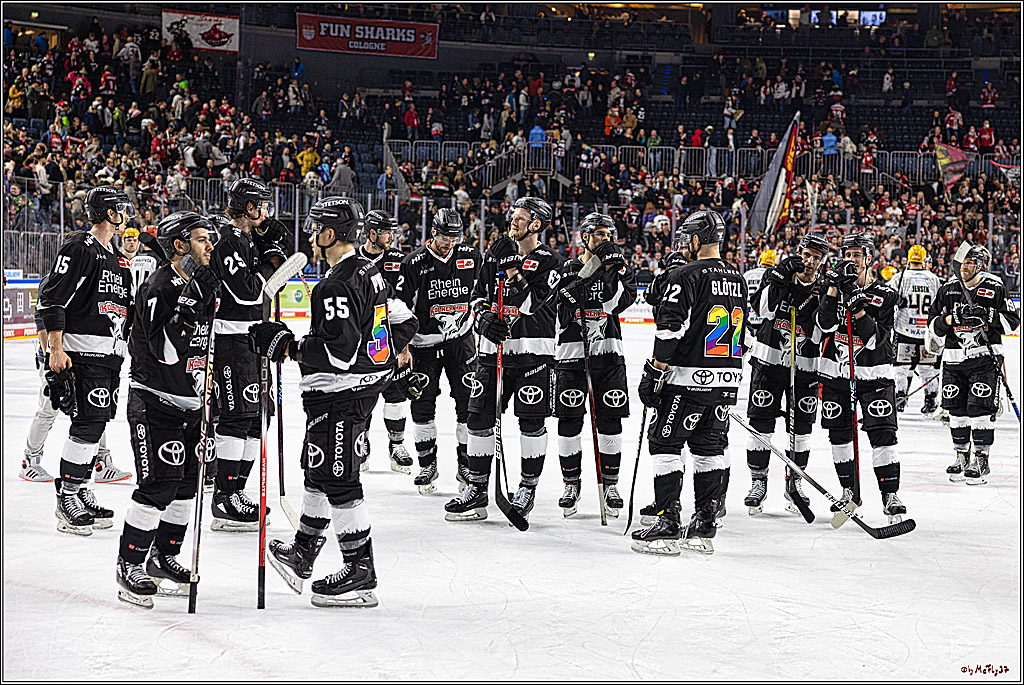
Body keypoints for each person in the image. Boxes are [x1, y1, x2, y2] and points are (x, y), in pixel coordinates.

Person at [250, 197, 418, 607]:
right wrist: (383, 356)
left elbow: (339, 351)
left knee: (339, 477)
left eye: (314, 228)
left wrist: (287, 346)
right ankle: (303, 552)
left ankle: (360, 573)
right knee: (318, 470)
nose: (310, 234)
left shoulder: (335, 284)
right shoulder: (370, 271)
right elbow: (404, 320)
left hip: (341, 395)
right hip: (358, 389)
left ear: (328, 234)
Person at [115, 211, 218, 608]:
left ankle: (163, 557)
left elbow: (202, 345)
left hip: (193, 404)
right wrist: (189, 305)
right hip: (155, 402)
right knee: (158, 484)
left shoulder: (199, 285)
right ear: (179, 245)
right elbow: (166, 352)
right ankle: (130, 564)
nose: (209, 246)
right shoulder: (160, 287)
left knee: (186, 486)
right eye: (201, 240)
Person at [632, 210, 745, 555]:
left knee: (665, 444)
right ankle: (704, 525)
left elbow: (669, 329)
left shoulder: (686, 273)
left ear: (697, 240)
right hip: (725, 379)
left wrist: (655, 370)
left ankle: (667, 523)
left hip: (686, 380)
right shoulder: (737, 277)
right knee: (709, 448)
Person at [445, 197, 563, 522]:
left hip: (533, 357)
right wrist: (483, 320)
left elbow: (530, 304)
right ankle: (477, 488)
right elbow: (476, 298)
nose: (514, 221)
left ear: (537, 224)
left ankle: (527, 488)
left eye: (522, 218)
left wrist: (512, 268)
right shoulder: (493, 254)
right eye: (513, 215)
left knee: (531, 424)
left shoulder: (550, 261)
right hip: (491, 355)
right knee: (478, 421)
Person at [36, 187, 135, 536]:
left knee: (97, 424)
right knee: (87, 424)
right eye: (120, 209)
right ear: (108, 213)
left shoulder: (119, 257)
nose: (125, 214)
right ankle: (67, 495)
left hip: (110, 356)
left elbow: (127, 310)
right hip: (81, 352)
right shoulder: (80, 247)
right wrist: (55, 348)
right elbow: (52, 298)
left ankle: (79, 487)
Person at [208, 178, 287, 531]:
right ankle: (224, 496)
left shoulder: (247, 239)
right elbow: (248, 292)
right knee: (237, 416)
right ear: (249, 207)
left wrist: (274, 258)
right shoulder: (227, 242)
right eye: (263, 205)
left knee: (258, 417)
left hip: (253, 338)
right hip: (232, 340)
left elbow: (267, 283)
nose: (267, 212)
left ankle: (236, 491)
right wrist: (273, 264)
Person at [550, 213, 636, 517]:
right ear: (584, 237)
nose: (605, 239)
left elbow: (618, 304)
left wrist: (612, 270)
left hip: (609, 355)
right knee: (569, 421)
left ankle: (610, 484)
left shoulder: (618, 268)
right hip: (571, 355)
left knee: (610, 420)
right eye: (599, 234)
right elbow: (556, 310)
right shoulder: (565, 270)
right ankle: (570, 484)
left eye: (608, 234)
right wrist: (589, 274)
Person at [816, 233, 905, 523]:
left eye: (857, 254)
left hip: (873, 374)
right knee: (839, 434)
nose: (850, 259)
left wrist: (858, 306)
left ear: (869, 258)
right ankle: (848, 492)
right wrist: (832, 289)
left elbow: (874, 340)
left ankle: (890, 495)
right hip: (836, 373)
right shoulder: (832, 287)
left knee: (883, 434)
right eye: (847, 254)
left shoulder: (886, 295)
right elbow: (825, 326)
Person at [396, 208, 481, 494]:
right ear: (433, 232)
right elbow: (400, 310)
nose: (449, 242)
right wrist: (403, 347)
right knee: (422, 406)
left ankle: (465, 464)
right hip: (424, 346)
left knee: (467, 405)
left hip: (461, 342)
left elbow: (482, 294)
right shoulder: (414, 263)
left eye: (454, 237)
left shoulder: (471, 257)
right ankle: (427, 464)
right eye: (445, 236)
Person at [742, 232, 828, 515]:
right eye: (807, 255)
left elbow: (822, 330)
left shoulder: (824, 287)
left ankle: (795, 484)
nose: (810, 262)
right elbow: (763, 310)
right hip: (767, 363)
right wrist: (777, 279)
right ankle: (758, 482)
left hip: (804, 369)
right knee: (760, 424)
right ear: (799, 252)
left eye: (817, 258)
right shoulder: (778, 274)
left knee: (801, 430)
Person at [928, 245, 1019, 485]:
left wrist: (988, 316)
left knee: (979, 408)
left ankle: (981, 459)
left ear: (981, 265)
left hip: (985, 358)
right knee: (956, 410)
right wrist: (950, 319)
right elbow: (932, 326)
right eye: (961, 262)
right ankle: (961, 455)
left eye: (969, 262)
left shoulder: (995, 287)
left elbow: (1012, 323)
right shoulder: (947, 288)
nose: (963, 267)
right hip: (953, 359)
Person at [356, 210, 414, 474]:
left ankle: (397, 445)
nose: (392, 236)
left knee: (396, 395)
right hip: (361, 340)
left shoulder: (398, 260)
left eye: (393, 231)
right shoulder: (352, 260)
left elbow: (405, 308)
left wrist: (404, 347)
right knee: (363, 395)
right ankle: (361, 442)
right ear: (371, 234)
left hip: (391, 339)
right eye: (387, 232)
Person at [889, 245, 942, 414]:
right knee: (929, 368)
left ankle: (900, 398)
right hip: (928, 331)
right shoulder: (934, 279)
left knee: (901, 368)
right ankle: (931, 400)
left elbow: (888, 298)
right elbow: (940, 304)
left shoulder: (899, 277)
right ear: (924, 259)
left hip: (904, 330)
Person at [742, 249, 776, 349]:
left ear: (760, 261)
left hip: (748, 320)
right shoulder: (774, 276)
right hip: (765, 321)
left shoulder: (747, 274)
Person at [121, 226, 158, 300]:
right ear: (123, 241)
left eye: (135, 240)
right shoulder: (117, 258)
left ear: (138, 243)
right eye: (129, 240)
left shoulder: (144, 260)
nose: (132, 243)